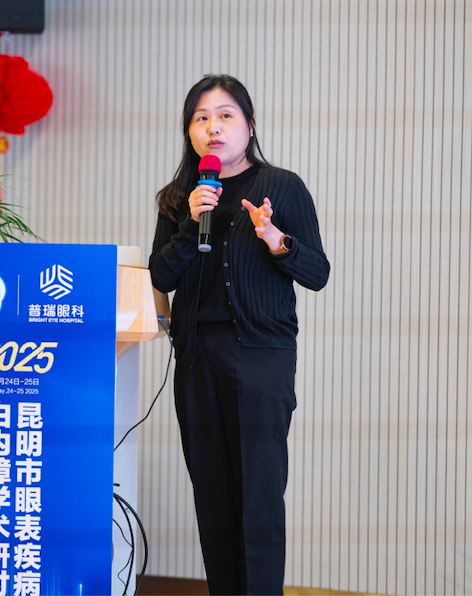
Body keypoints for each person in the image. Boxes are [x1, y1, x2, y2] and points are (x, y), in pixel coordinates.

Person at [148, 74, 329, 595]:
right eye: (201, 118)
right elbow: (160, 276)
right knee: (212, 497)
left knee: (258, 499)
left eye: (226, 115)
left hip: (260, 357)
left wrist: (276, 239)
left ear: (249, 126)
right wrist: (190, 225)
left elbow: (317, 273)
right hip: (196, 359)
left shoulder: (283, 187)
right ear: (189, 132)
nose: (213, 127)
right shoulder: (180, 199)